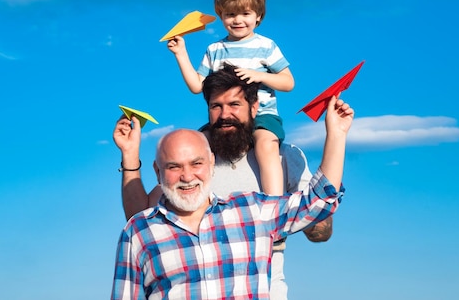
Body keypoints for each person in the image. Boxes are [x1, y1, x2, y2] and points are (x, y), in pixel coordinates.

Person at [113, 64, 338, 299]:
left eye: (234, 105)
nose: (224, 115)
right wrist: (129, 155)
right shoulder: (195, 166)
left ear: (254, 108)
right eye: (216, 106)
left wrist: (280, 218)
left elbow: (320, 232)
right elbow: (142, 222)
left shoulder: (284, 157)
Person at [166, 0, 294, 196]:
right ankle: (196, 200)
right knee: (197, 144)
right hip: (225, 118)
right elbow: (197, 85)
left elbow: (288, 82)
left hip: (262, 114)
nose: (237, 20)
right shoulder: (215, 50)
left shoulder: (266, 46)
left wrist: (258, 76)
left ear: (258, 16)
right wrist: (180, 53)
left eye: (245, 14)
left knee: (266, 145)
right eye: (230, 14)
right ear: (221, 15)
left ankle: (275, 202)